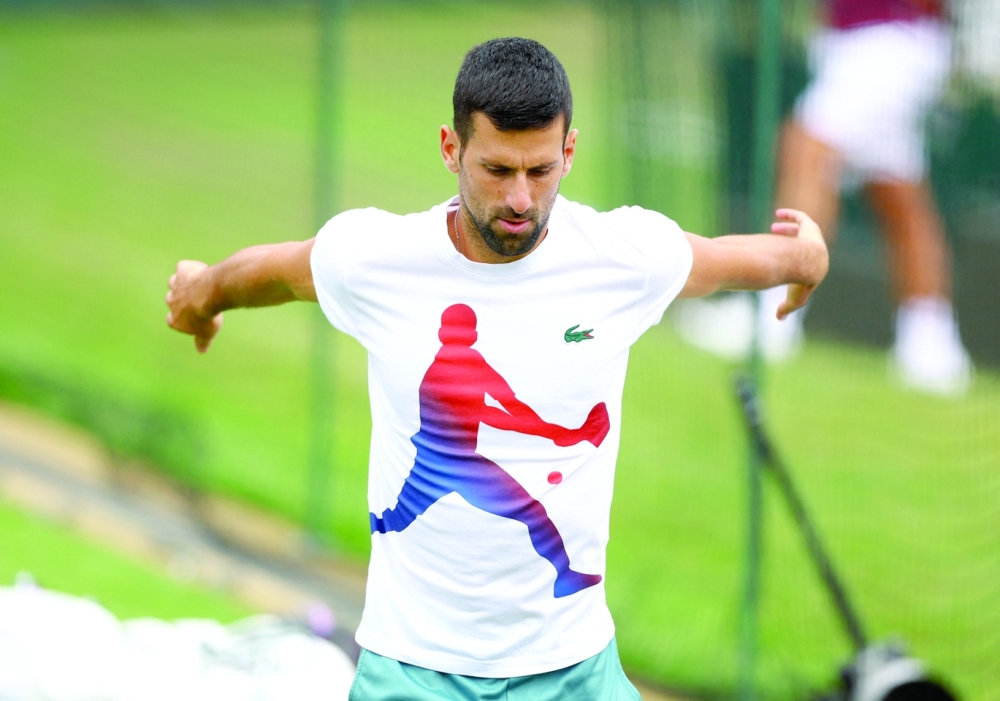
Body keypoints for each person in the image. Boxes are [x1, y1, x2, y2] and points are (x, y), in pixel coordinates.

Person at [166, 38, 827, 701]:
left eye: (541, 170)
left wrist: (805, 259)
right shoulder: (379, 259)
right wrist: (201, 294)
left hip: (573, 671)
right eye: (497, 169)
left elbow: (730, 259)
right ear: (451, 149)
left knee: (504, 513)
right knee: (456, 504)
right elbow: (277, 272)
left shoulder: (621, 257)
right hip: (413, 671)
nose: (520, 198)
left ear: (570, 152)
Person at [677, 0, 971, 396]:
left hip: (889, 40)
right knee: (896, 190)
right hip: (857, 42)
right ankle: (931, 348)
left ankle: (774, 318)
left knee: (806, 150)